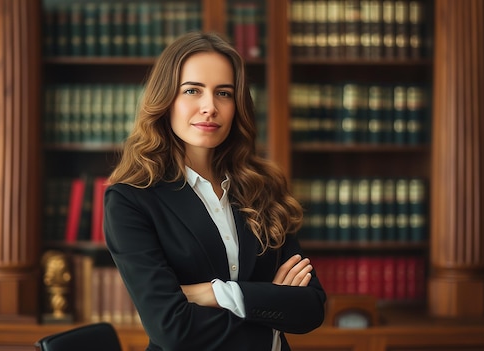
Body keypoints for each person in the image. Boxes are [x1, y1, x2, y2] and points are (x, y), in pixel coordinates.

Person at [103, 31, 326, 351]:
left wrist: (213, 293)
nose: (210, 107)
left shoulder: (262, 187)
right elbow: (172, 329)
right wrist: (270, 315)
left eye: (224, 93)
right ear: (166, 101)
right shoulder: (131, 199)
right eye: (192, 90)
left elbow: (310, 308)